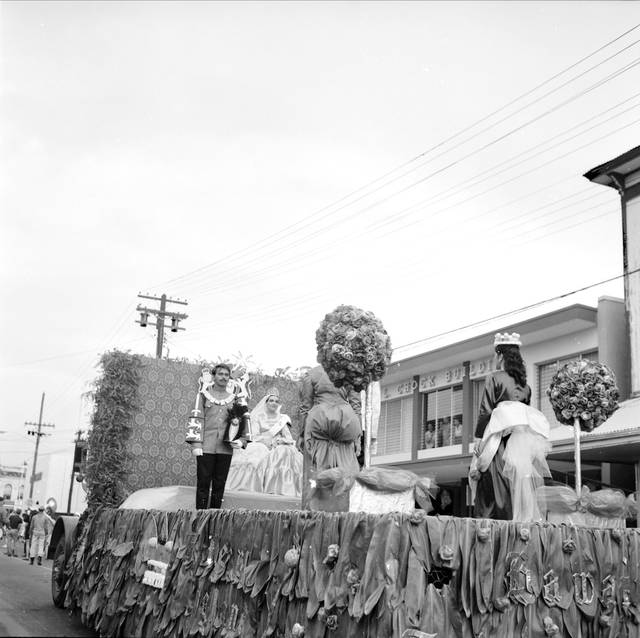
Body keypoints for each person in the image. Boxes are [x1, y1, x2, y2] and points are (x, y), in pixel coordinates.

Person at [469, 332, 551, 522]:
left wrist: (479, 438)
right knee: (517, 487)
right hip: (520, 445)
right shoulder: (526, 386)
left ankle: (490, 530)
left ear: (500, 355)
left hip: (498, 440)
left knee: (492, 487)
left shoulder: (494, 378)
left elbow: (486, 410)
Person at [298, 365, 362, 510]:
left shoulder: (312, 374)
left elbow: (305, 407)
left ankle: (313, 513)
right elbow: (356, 407)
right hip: (345, 423)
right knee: (343, 473)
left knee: (314, 472)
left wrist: (301, 434)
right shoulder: (351, 374)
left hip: (319, 422)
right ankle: (339, 515)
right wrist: (358, 437)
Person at [187, 364, 248, 510]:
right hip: (205, 447)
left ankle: (215, 518)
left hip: (225, 448)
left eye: (226, 375)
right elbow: (196, 418)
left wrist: (242, 440)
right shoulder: (203, 396)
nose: (223, 377)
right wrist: (196, 444)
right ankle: (200, 518)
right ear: (214, 376)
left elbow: (243, 420)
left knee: (219, 485)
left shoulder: (234, 399)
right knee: (203, 483)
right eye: (220, 374)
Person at [226, 388, 303, 497]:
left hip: (277, 446)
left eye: (276, 401)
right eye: (271, 400)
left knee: (286, 451)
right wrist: (268, 441)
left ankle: (282, 488)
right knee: (257, 451)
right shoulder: (258, 417)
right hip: (262, 444)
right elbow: (254, 436)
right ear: (266, 403)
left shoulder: (282, 419)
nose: (274, 403)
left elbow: (288, 438)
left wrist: (280, 441)